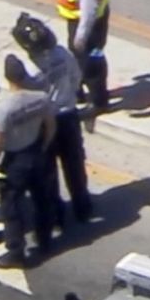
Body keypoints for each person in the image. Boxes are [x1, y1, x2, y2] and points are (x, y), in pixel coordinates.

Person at [11, 12, 94, 224]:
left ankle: (57, 213)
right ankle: (82, 206)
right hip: (68, 116)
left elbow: (25, 98)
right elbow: (76, 78)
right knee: (74, 164)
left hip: (44, 123)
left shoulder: (29, 70)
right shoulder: (62, 54)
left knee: (48, 170)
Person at [0, 55, 57, 269]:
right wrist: (43, 147)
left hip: (15, 159)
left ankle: (16, 251)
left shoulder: (3, 109)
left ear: (7, 78)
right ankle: (44, 239)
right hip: (36, 152)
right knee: (41, 199)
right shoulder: (40, 98)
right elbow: (51, 125)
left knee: (11, 206)